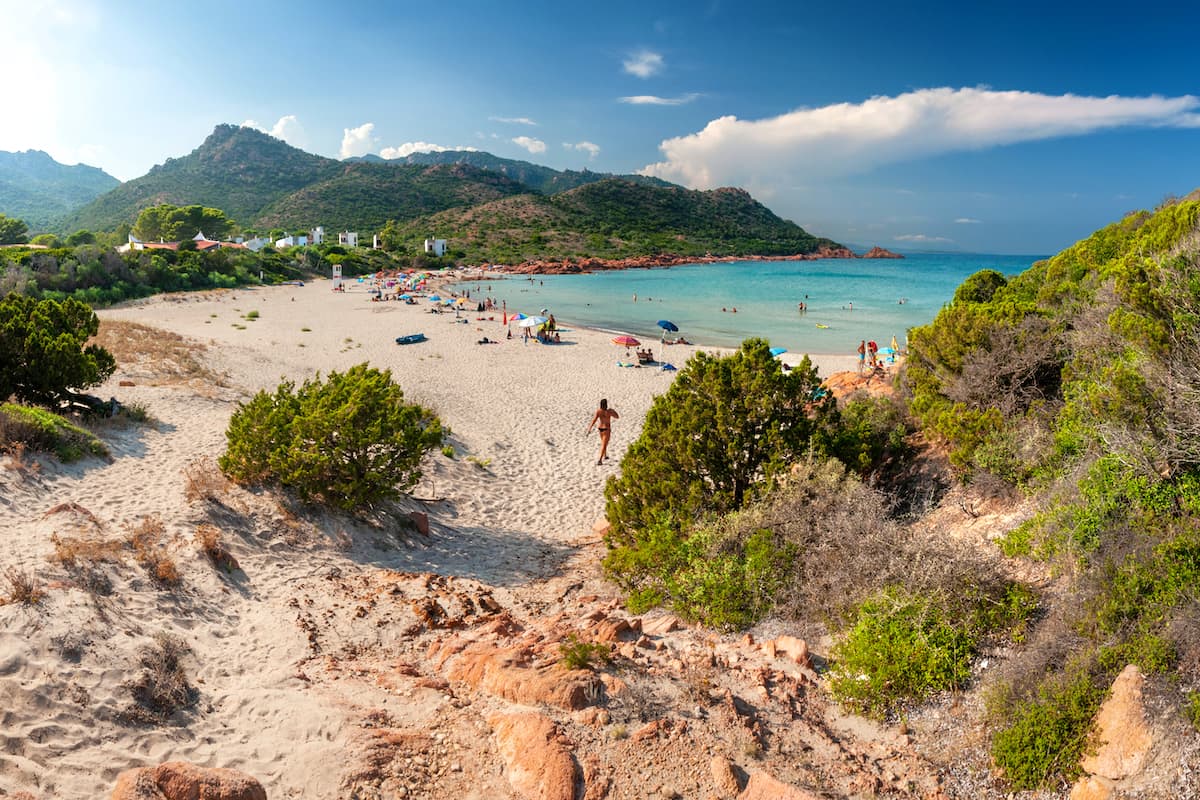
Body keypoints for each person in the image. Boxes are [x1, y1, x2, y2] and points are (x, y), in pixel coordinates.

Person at [587, 399, 619, 465]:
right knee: (604, 444)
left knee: (604, 443)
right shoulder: (609, 411)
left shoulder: (599, 411)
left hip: (600, 429)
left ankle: (605, 456)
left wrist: (589, 428)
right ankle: (600, 460)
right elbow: (617, 417)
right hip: (606, 429)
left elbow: (594, 420)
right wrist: (613, 411)